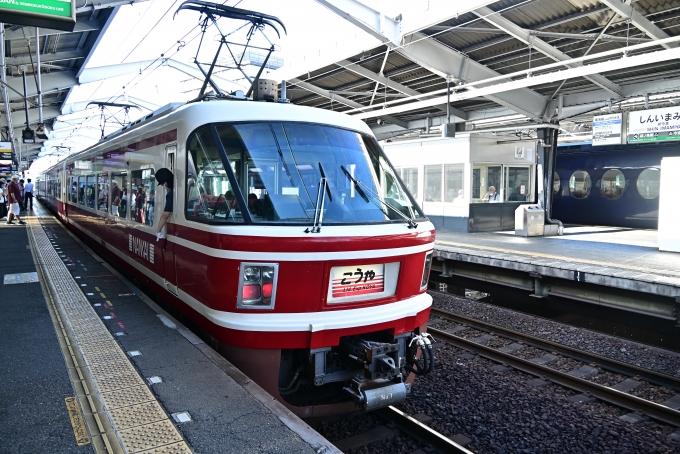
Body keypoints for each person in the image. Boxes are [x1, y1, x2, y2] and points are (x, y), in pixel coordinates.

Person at [155, 168, 173, 241]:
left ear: (165, 182)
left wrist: (158, 230)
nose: (163, 186)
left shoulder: (171, 194)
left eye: (162, 184)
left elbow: (165, 215)